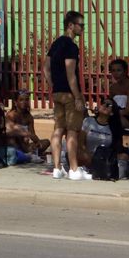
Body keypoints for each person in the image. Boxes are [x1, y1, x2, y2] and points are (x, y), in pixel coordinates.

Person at [46, 10, 89, 179]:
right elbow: (71, 74)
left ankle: (57, 168)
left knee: (58, 129)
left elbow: (45, 68)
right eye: (81, 25)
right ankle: (74, 169)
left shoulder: (56, 44)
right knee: (72, 131)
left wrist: (53, 85)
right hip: (70, 94)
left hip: (57, 93)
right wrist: (78, 96)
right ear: (71, 26)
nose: (83, 29)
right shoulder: (71, 46)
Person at [107, 59, 129, 131]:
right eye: (113, 70)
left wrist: (113, 113)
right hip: (117, 115)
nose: (116, 73)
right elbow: (109, 104)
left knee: (112, 119)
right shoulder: (112, 87)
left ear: (125, 71)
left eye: (119, 70)